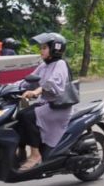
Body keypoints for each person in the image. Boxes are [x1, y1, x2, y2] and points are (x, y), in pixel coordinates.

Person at [15, 32, 73, 170]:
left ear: (55, 48)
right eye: (41, 48)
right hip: (46, 104)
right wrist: (5, 88)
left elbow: (54, 84)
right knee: (19, 113)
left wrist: (36, 92)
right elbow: (28, 81)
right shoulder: (44, 65)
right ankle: (21, 150)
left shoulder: (60, 64)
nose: (41, 50)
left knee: (28, 116)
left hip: (58, 108)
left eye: (44, 48)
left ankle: (35, 155)